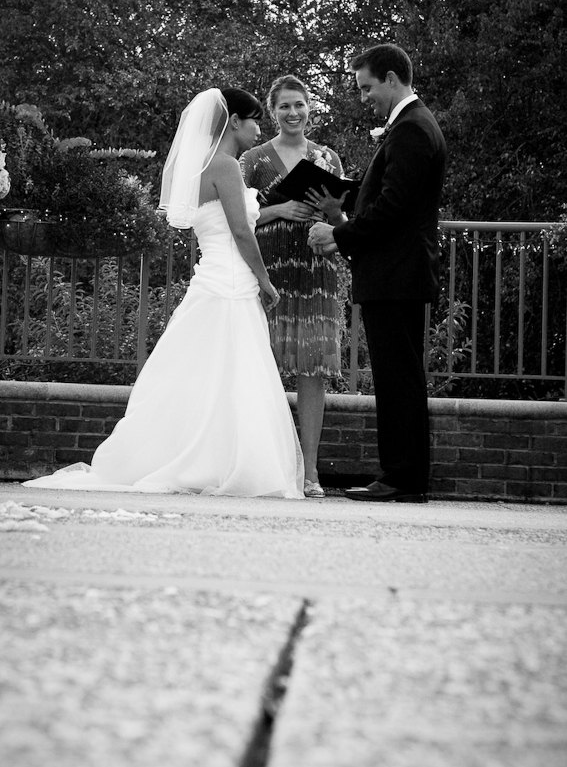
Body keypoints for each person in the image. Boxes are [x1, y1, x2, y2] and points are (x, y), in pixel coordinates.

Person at [23, 87, 304, 498]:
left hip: (213, 279)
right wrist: (265, 280)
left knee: (208, 376)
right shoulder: (226, 165)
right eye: (255, 121)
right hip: (231, 285)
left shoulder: (201, 167)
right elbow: (242, 233)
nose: (259, 129)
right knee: (235, 377)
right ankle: (227, 463)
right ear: (235, 122)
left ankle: (205, 458)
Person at [308, 43, 446, 503]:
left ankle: (401, 478)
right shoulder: (414, 125)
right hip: (398, 272)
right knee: (400, 376)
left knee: (397, 378)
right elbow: (389, 195)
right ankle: (404, 477)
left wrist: (338, 234)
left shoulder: (411, 129)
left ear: (390, 78)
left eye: (367, 87)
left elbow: (393, 206)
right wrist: (344, 203)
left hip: (395, 274)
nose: (364, 97)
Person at [240, 74, 344, 498]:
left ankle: (310, 472)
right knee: (259, 368)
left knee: (312, 371)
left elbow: (341, 220)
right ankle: (262, 467)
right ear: (272, 111)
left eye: (299, 104)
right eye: (284, 105)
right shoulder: (252, 160)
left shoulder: (327, 158)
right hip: (268, 274)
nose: (293, 112)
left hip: (316, 275)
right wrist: (279, 208)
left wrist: (334, 212)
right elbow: (234, 218)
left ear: (309, 107)